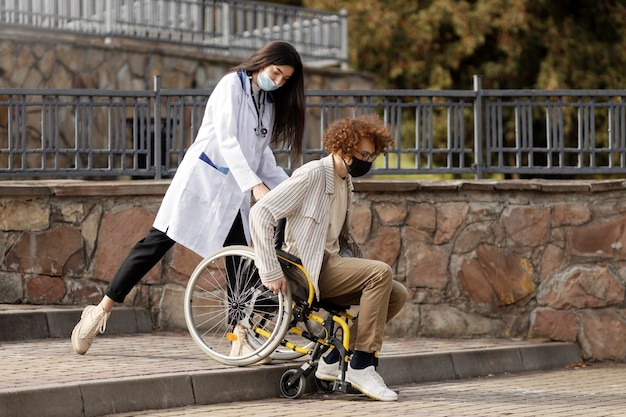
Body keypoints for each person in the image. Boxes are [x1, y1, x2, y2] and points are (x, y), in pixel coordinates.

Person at [71, 41, 305, 355]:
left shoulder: (268, 104)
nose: (277, 82)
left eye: (285, 79)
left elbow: (264, 159)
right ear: (262, 63)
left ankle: (238, 335)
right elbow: (227, 140)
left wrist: (290, 189)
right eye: (275, 73)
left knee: (241, 261)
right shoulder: (231, 86)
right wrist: (253, 185)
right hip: (202, 183)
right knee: (153, 246)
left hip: (231, 195)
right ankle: (100, 310)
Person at [249, 115, 409, 401]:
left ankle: (334, 358)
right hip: (307, 269)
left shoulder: (344, 181)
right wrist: (269, 270)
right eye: (362, 155)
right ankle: (360, 363)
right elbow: (261, 213)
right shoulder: (312, 174)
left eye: (372, 156)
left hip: (330, 264)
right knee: (380, 273)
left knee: (397, 293)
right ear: (343, 148)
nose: (367, 161)